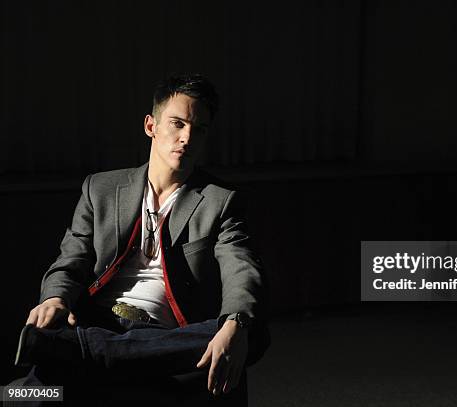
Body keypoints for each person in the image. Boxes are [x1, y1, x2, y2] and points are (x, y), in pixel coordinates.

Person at [8, 74, 269, 406]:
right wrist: (55, 299)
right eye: (177, 123)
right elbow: (70, 260)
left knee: (247, 332)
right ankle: (97, 350)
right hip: (101, 320)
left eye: (199, 129)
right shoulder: (100, 189)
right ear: (151, 126)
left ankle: (84, 351)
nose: (187, 137)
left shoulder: (220, 201)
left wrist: (236, 322)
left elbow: (241, 267)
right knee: (20, 396)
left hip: (168, 334)